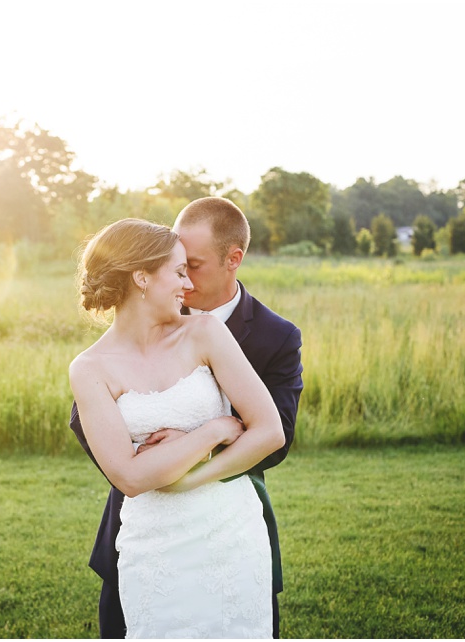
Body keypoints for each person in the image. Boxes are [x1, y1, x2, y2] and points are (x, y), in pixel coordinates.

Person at [69, 197, 303, 638]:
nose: (186, 286)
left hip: (227, 527)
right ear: (141, 276)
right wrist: (214, 428)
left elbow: (273, 432)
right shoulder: (90, 367)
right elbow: (122, 467)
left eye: (190, 266)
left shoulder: (219, 333)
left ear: (232, 260)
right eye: (179, 271)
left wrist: (189, 470)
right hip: (148, 533)